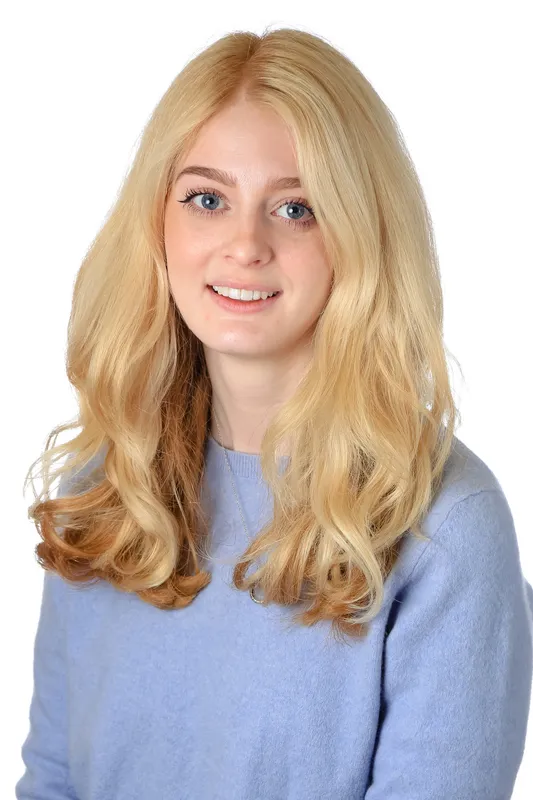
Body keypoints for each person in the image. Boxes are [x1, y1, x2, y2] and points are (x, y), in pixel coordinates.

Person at [16, 26, 533, 800]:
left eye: (296, 208)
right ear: (157, 223)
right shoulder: (106, 493)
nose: (244, 244)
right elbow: (50, 783)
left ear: (361, 236)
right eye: (206, 199)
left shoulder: (443, 526)